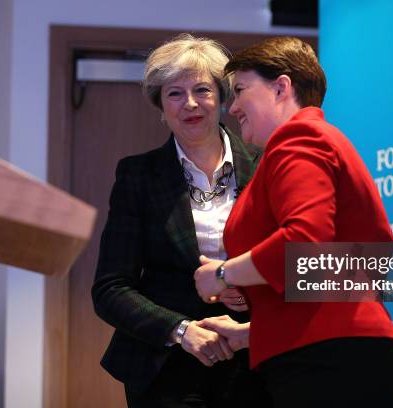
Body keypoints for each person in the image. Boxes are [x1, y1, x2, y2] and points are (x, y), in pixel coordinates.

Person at [193, 37, 393, 407]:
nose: (234, 106)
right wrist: (251, 334)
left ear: (281, 87)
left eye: (241, 90)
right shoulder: (305, 142)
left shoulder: (299, 137)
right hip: (328, 355)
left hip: (329, 360)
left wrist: (223, 274)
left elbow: (305, 243)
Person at [92, 34, 271, 407]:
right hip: (168, 366)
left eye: (203, 90)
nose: (190, 103)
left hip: (258, 362)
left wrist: (246, 284)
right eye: (174, 93)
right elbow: (110, 289)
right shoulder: (138, 175)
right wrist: (182, 330)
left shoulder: (267, 164)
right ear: (161, 105)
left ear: (223, 99)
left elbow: (288, 257)